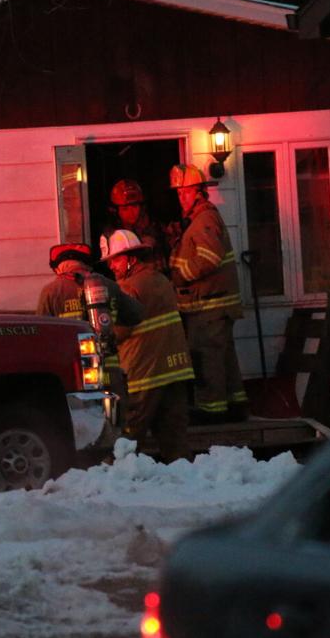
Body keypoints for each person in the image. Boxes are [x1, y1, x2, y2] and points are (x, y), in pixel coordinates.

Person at [100, 229, 195, 462]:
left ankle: (116, 473)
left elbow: (119, 331)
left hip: (144, 373)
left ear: (131, 259)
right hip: (176, 369)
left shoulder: (128, 288)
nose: (112, 266)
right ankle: (184, 476)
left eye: (116, 260)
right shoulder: (161, 280)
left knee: (129, 434)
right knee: (175, 438)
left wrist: (100, 335)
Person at [168, 163, 248, 424]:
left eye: (186, 191)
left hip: (209, 308)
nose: (181, 197)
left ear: (200, 192)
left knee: (206, 358)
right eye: (178, 193)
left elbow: (209, 258)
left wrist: (178, 276)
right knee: (224, 357)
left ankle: (211, 411)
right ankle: (235, 405)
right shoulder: (200, 219)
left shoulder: (204, 220)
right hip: (213, 306)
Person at [36, 243, 143, 398]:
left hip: (76, 375)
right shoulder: (108, 285)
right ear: (86, 264)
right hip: (110, 372)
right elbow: (137, 314)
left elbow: (42, 337)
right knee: (116, 412)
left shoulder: (51, 292)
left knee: (84, 412)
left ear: (59, 268)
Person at [101, 179, 172, 274]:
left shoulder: (155, 226)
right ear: (116, 210)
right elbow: (112, 265)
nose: (131, 212)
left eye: (134, 206)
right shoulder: (111, 234)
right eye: (125, 208)